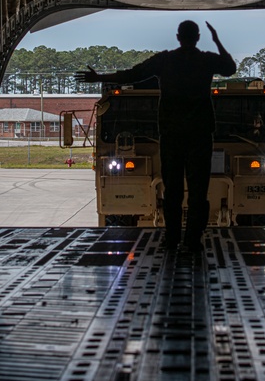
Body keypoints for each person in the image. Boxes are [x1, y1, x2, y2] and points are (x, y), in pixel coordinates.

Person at [77, 21, 236, 252]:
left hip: (171, 132)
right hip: (200, 133)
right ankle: (192, 240)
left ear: (178, 37)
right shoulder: (206, 60)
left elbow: (133, 74)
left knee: (172, 190)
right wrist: (217, 39)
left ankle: (171, 239)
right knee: (199, 190)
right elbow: (230, 68)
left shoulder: (166, 60)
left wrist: (99, 77)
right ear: (198, 37)